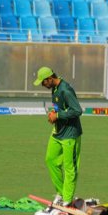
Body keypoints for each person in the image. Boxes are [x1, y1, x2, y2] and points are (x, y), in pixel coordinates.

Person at [33, 67, 83, 206]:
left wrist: (59, 115)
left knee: (69, 168)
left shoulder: (65, 90)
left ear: (49, 78)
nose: (43, 86)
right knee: (50, 160)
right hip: (57, 132)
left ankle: (67, 201)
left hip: (70, 135)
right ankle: (61, 194)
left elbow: (77, 110)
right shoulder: (54, 89)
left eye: (43, 82)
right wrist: (53, 114)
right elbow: (59, 107)